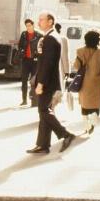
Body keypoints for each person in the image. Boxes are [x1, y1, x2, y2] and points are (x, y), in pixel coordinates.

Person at [27, 11, 75, 154]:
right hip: (50, 81)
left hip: (47, 82)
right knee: (44, 112)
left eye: (42, 19)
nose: (39, 22)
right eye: (39, 19)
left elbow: (48, 64)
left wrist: (40, 83)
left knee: (44, 111)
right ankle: (43, 144)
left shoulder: (50, 38)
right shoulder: (51, 37)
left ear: (50, 21)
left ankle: (66, 134)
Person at [74, 30, 100, 134]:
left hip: (83, 82)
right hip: (96, 82)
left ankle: (86, 124)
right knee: (95, 104)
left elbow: (76, 66)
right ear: (98, 40)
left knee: (84, 104)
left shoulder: (80, 51)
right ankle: (93, 120)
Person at [17, 19, 41, 106]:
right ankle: (24, 100)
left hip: (35, 61)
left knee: (34, 81)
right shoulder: (24, 34)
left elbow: (41, 48)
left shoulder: (39, 35)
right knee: (24, 80)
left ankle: (34, 101)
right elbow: (20, 45)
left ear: (33, 25)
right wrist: (21, 52)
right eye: (26, 26)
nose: (28, 27)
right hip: (25, 60)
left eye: (29, 25)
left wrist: (38, 56)